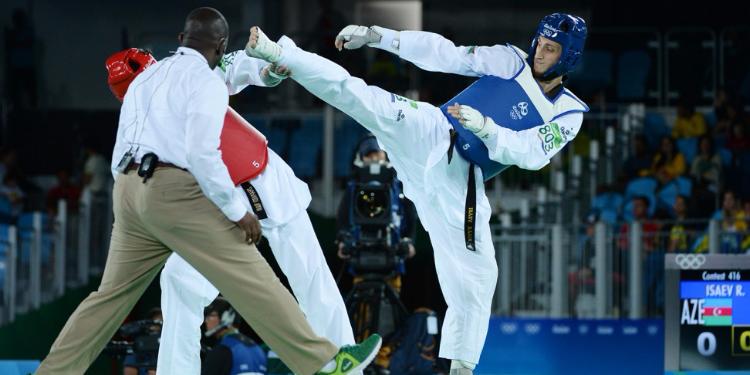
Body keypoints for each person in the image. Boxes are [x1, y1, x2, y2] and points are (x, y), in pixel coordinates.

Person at [35, 8, 380, 375]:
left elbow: (235, 69)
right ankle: (325, 364)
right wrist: (235, 211)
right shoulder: (187, 77)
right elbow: (204, 149)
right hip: (200, 196)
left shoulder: (166, 81)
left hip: (246, 182)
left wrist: (268, 69)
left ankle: (339, 360)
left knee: (305, 274)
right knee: (201, 280)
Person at [244, 13, 589, 373]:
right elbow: (445, 54)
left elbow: (532, 154)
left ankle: (460, 366)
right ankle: (279, 52)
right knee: (358, 95)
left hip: (460, 181)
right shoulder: (511, 60)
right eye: (540, 43)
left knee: (479, 276)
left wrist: (487, 129)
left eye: (550, 49)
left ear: (567, 57)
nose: (539, 53)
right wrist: (379, 36)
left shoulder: (568, 112)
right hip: (434, 130)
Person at [105, 46, 358, 373]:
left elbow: (231, 65)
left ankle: (348, 366)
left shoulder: (188, 75)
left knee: (313, 283)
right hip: (218, 213)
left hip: (267, 181)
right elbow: (128, 181)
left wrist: (265, 72)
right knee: (178, 280)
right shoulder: (135, 131)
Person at [201, 298, 267, 375]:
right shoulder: (258, 349)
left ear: (226, 316)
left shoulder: (223, 349)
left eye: (211, 315)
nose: (206, 320)